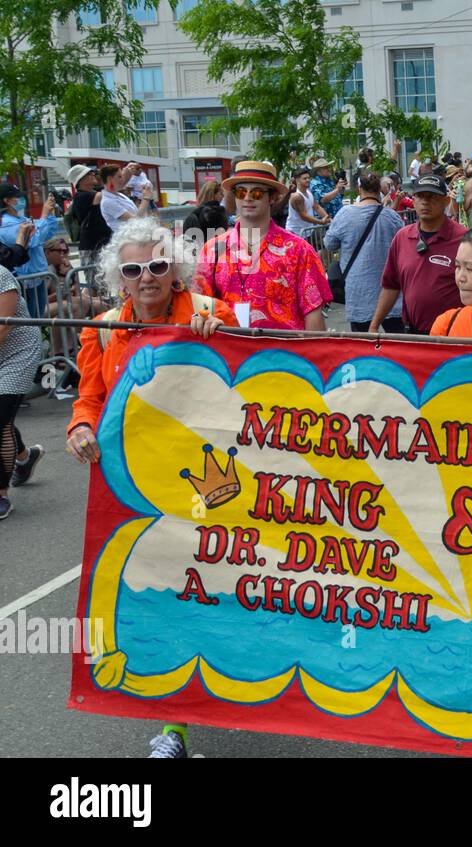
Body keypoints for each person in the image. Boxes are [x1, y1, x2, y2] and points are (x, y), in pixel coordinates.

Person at [65, 218, 236, 758]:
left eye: (158, 266)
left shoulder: (211, 313)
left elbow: (250, 387)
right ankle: (174, 726)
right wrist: (80, 427)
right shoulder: (103, 327)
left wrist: (224, 336)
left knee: (216, 593)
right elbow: (88, 398)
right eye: (134, 269)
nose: (147, 278)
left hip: (206, 485)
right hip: (133, 488)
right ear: (119, 275)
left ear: (176, 270)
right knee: (156, 599)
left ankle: (252, 689)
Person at [193, 161, 330, 331]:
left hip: (283, 354)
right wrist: (205, 317)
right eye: (241, 192)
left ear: (272, 197)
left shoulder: (299, 250)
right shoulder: (212, 250)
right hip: (231, 353)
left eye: (257, 193)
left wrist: (312, 356)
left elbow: (314, 317)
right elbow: (200, 308)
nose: (248, 197)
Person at [371, 172, 467, 334]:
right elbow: (391, 286)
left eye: (432, 197)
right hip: (414, 333)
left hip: (454, 334)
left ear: (446, 201)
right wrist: (374, 326)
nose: (425, 202)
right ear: (413, 200)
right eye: (420, 196)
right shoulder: (402, 237)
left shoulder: (464, 239)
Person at [325, 171, 405, 333]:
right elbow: (403, 246)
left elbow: (329, 244)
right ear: (379, 190)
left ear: (359, 189)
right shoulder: (392, 217)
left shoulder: (345, 214)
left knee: (362, 348)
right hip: (390, 294)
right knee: (397, 345)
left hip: (359, 292)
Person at [0, 265, 43, 517]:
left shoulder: (1, 276)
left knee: (0, 421)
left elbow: (4, 327)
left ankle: (1, 496)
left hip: (17, 353)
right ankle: (25, 456)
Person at [0, 185, 60, 316]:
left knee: (38, 318)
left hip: (37, 277)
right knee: (31, 319)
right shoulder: (6, 223)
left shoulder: (22, 219)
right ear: (7, 201)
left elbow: (47, 233)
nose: (22, 199)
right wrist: (44, 215)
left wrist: (49, 214)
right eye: (17, 197)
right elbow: (33, 240)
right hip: (26, 280)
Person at [67, 165, 112, 267]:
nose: (94, 174)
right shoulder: (81, 196)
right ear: (81, 179)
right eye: (90, 173)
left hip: (103, 243)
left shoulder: (95, 193)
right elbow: (107, 191)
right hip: (91, 247)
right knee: (94, 280)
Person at [96, 164, 153, 234]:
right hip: (128, 239)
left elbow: (137, 214)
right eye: (119, 177)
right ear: (109, 179)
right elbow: (136, 221)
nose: (122, 179)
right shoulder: (108, 202)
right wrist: (146, 198)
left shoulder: (119, 195)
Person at [286, 167, 330, 235]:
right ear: (297, 180)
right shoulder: (296, 196)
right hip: (296, 233)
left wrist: (329, 219)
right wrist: (321, 222)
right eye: (305, 178)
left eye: (309, 178)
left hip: (308, 231)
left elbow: (317, 207)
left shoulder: (308, 191)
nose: (308, 180)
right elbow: (303, 215)